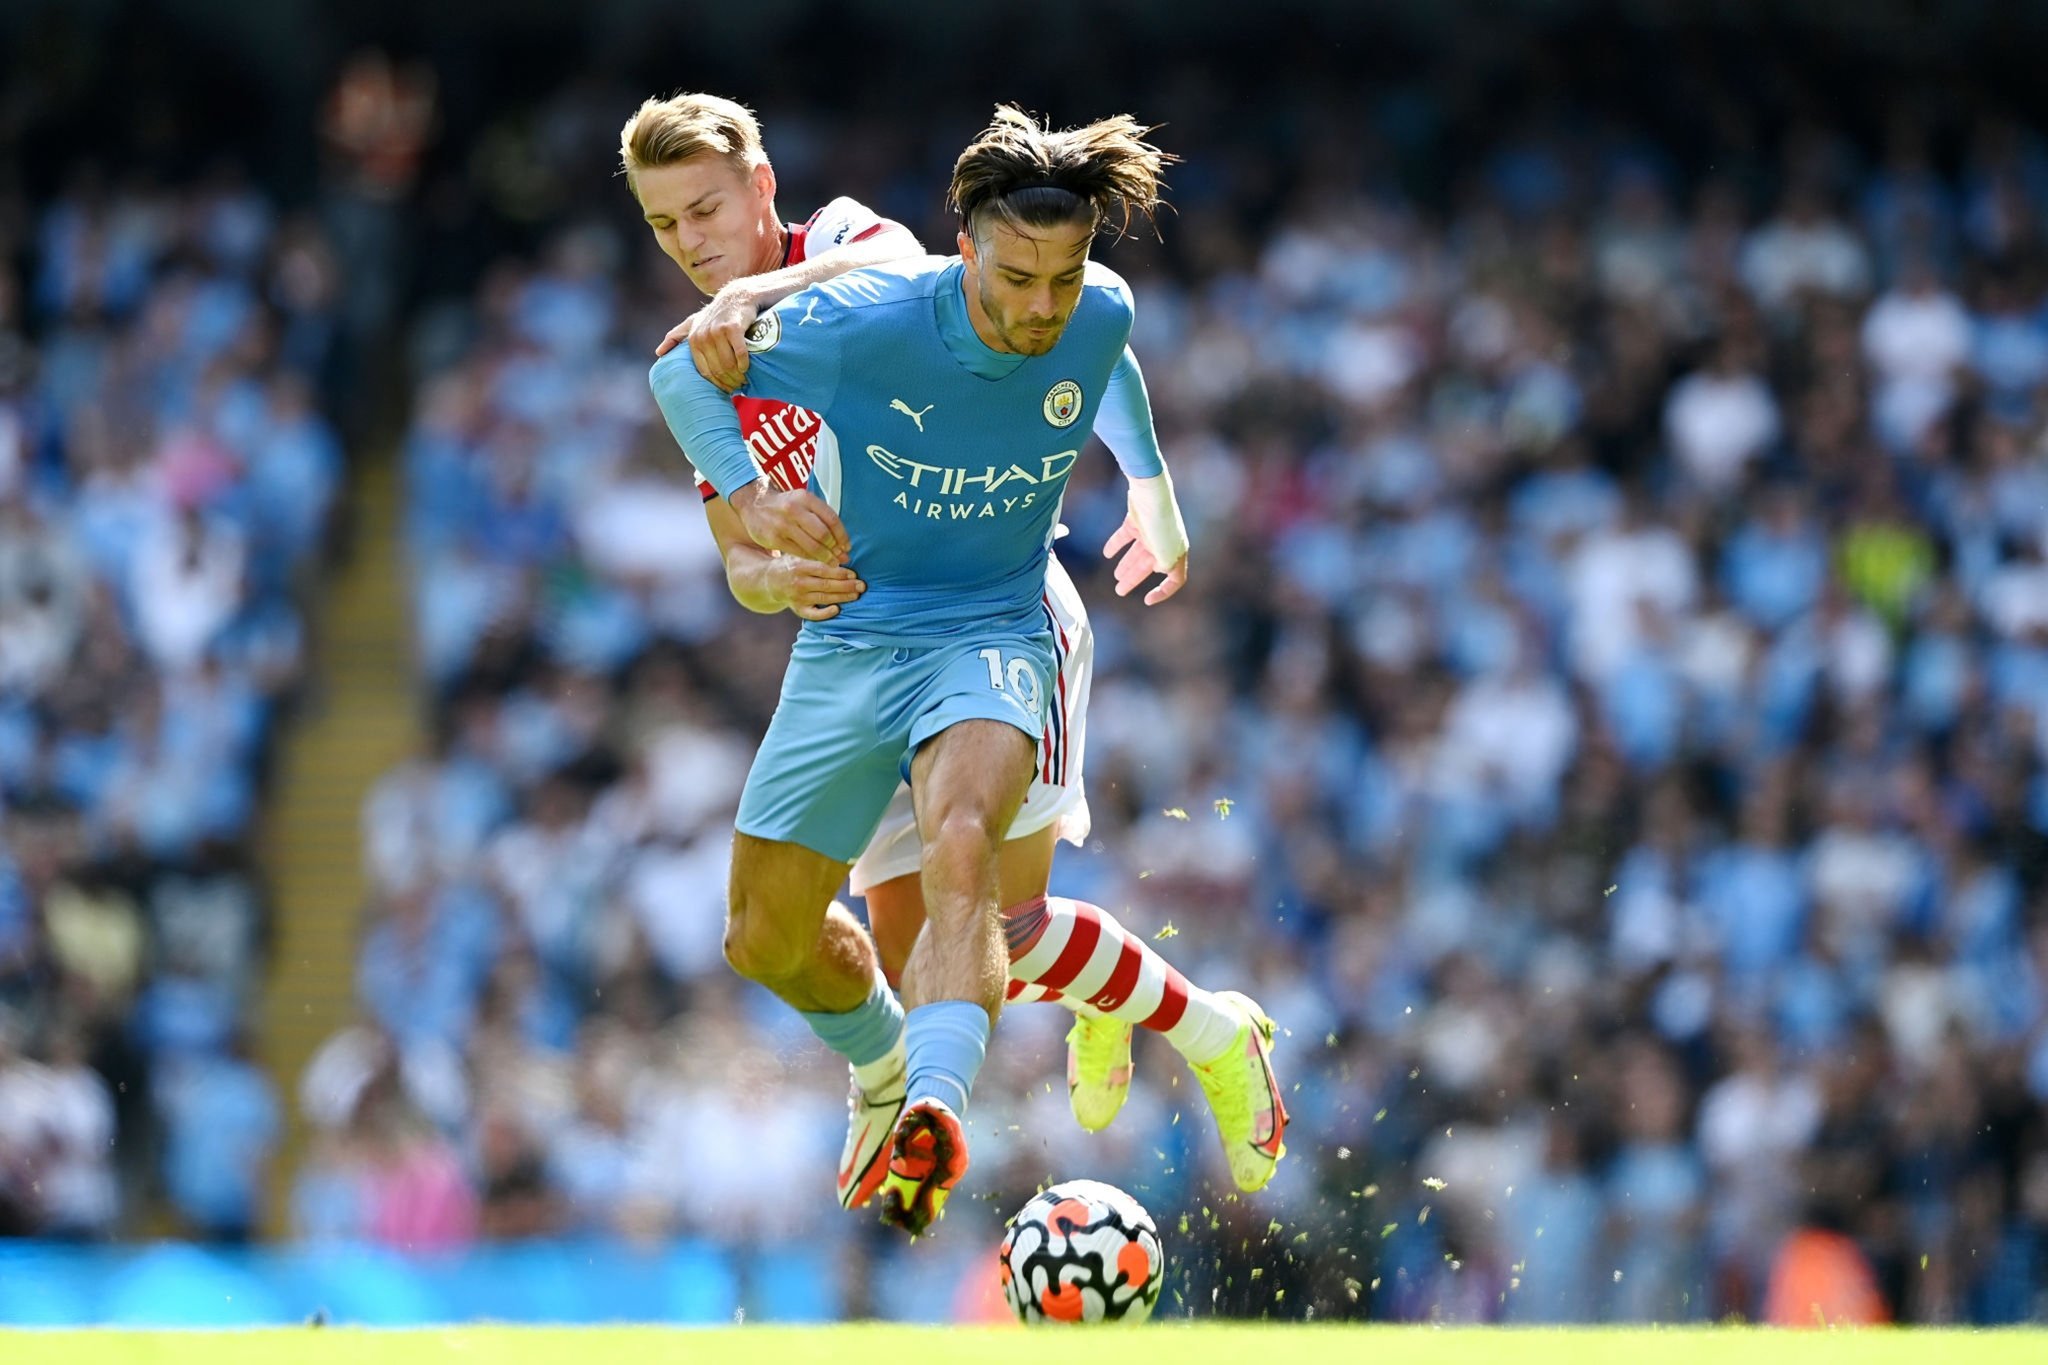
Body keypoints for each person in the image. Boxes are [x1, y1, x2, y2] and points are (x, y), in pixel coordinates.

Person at [646, 104, 1287, 1234]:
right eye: (664, 225)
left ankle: (1200, 1033)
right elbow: (738, 566)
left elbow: (918, 274)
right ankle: (983, 1044)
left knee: (987, 898)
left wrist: (1150, 490)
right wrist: (769, 570)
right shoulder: (719, 372)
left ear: (761, 188)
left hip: (998, 608)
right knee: (915, 942)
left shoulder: (833, 255)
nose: (692, 242)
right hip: (862, 630)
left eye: (706, 209)